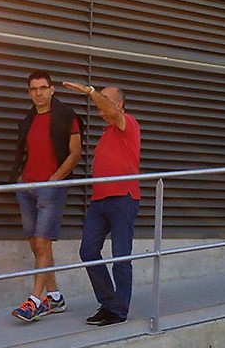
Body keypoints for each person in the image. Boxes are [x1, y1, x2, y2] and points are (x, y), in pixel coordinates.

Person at [63, 80, 141, 327]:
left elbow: (110, 111)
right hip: (99, 201)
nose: (99, 106)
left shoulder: (127, 123)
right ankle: (109, 302)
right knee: (88, 251)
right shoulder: (107, 132)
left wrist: (89, 91)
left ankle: (119, 310)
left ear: (119, 104)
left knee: (121, 256)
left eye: (105, 100)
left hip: (123, 198)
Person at [9, 71, 81, 323]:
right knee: (37, 245)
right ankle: (55, 297)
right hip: (26, 187)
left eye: (42, 88)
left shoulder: (66, 116)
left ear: (52, 89)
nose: (38, 93)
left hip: (51, 187)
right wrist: (20, 178)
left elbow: (75, 153)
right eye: (33, 89)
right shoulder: (28, 119)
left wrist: (55, 178)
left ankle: (35, 300)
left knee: (42, 243)